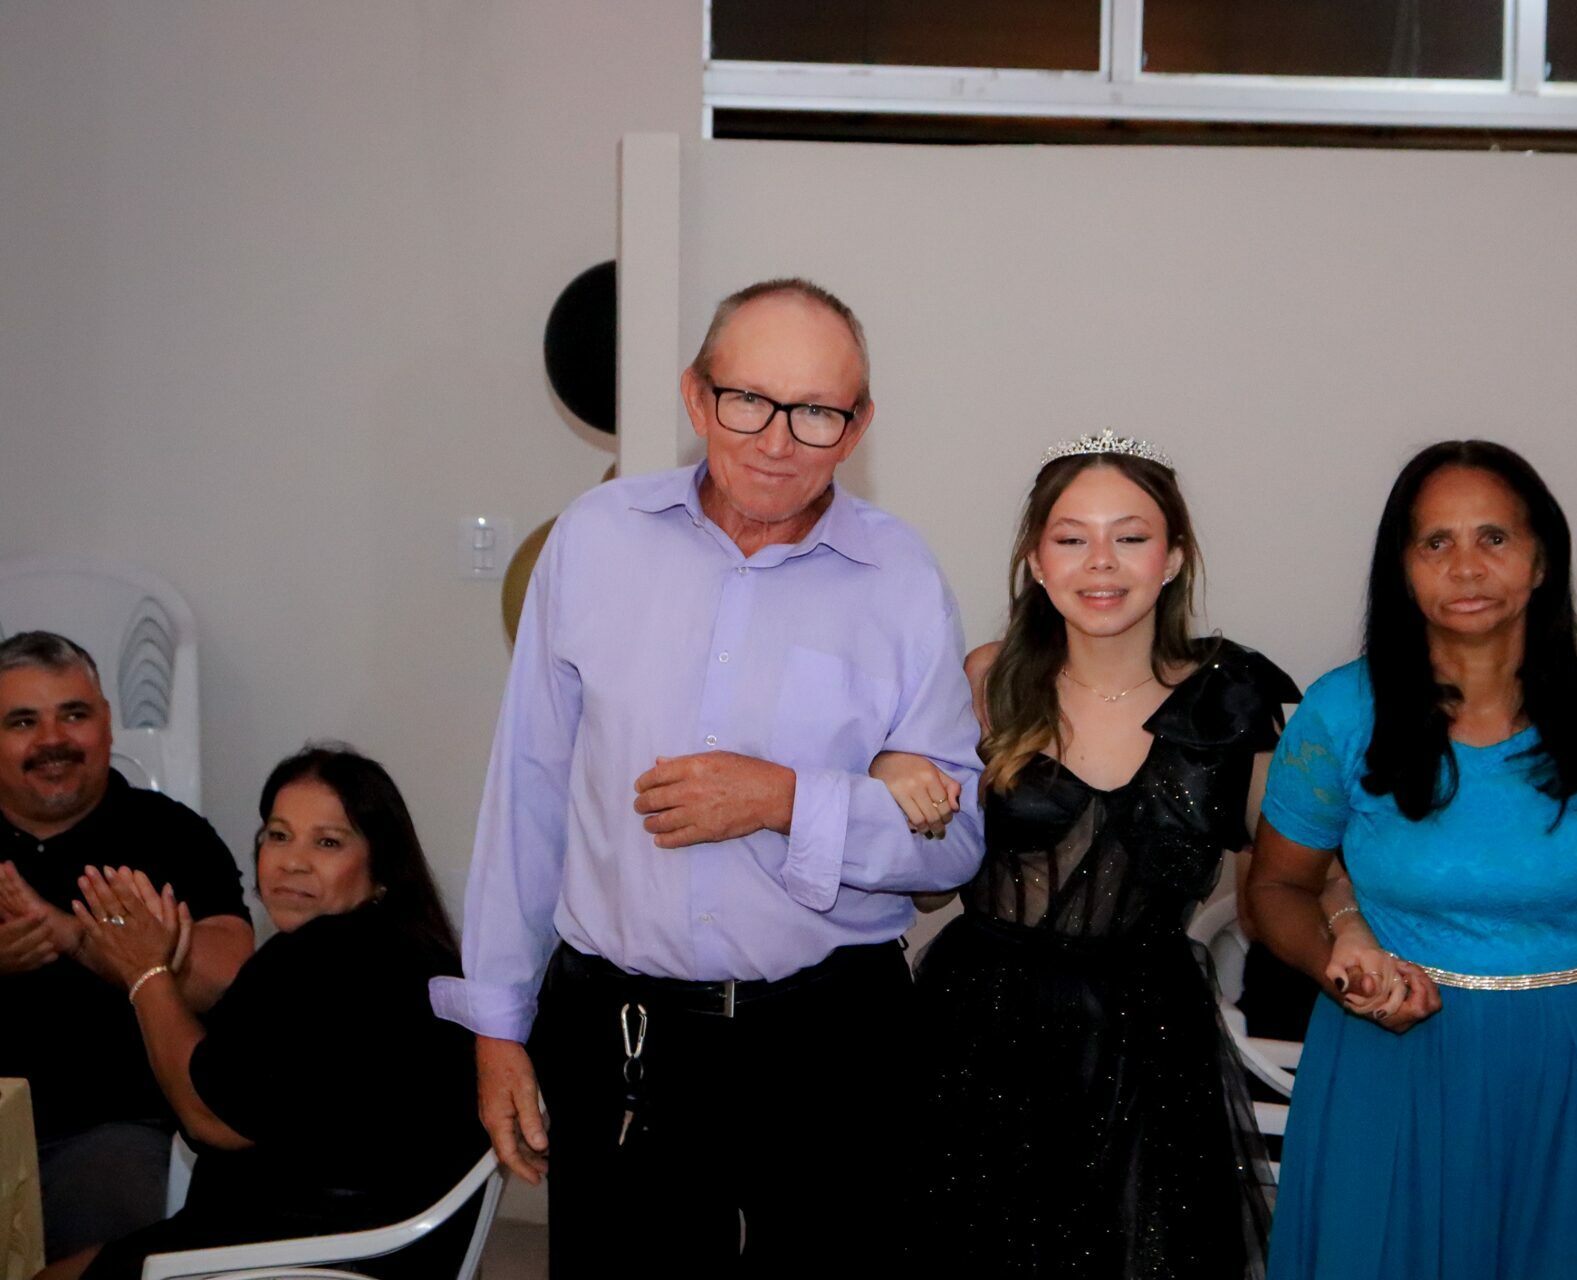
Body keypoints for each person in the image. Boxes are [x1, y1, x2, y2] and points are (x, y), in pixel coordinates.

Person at [431, 278, 985, 1278]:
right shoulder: (594, 540)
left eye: (815, 412)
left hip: (832, 1042)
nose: (777, 440)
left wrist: (783, 798)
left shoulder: (901, 581)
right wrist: (498, 1026)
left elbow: (954, 843)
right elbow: (527, 793)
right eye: (748, 400)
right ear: (696, 396)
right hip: (623, 1038)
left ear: (858, 425)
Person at [873, 433, 1331, 1279]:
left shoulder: (1234, 699)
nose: (1101, 562)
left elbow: (1302, 875)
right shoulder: (986, 681)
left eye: (1131, 535)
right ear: (1036, 562)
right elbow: (927, 886)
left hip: (1148, 1044)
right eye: (1071, 537)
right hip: (980, 1034)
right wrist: (893, 774)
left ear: (1173, 557)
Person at [1247, 440, 1577, 1280]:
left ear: (1540, 560)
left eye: (1494, 537)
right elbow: (1273, 887)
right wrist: (1342, 965)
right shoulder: (1342, 710)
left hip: (1569, 1071)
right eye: (1436, 542)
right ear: (1403, 568)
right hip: (1388, 1064)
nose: (1466, 567)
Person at [36, 745, 483, 1280]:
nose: (293, 861)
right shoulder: (407, 945)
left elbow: (212, 1119)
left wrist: (144, 973)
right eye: (278, 835)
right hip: (389, 1244)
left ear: (382, 865)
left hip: (310, 1254)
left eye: (328, 842)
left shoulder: (321, 959)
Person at [0, 631, 252, 1264]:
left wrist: (81, 937)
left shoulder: (169, 834)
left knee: (111, 1250)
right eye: (23, 722)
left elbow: (230, 977)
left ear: (107, 724)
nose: (52, 740)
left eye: (73, 715)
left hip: (112, 1132)